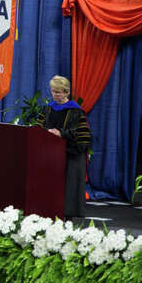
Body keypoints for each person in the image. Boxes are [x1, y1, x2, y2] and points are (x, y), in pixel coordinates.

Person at [38, 75, 92, 218]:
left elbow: (83, 137)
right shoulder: (47, 109)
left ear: (66, 92)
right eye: (53, 91)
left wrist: (61, 133)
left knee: (68, 188)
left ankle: (67, 216)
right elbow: (38, 128)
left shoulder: (76, 111)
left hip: (70, 155)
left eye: (58, 92)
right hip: (50, 156)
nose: (55, 95)